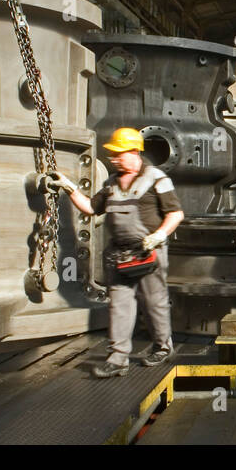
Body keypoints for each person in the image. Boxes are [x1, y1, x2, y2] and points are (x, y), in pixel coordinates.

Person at [50, 127, 184, 378]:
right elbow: (90, 208)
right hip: (120, 256)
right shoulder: (111, 183)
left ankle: (163, 347)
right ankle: (118, 358)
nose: (114, 159)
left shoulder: (157, 179)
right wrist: (68, 188)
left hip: (149, 254)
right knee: (120, 305)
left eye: (118, 154)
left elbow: (176, 214)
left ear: (134, 152)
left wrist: (158, 236)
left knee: (153, 302)